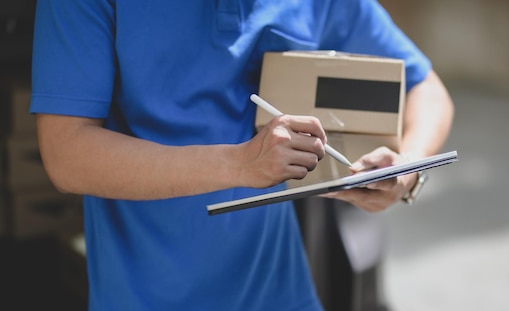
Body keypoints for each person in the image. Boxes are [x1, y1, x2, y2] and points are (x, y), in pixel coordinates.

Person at [30, 0, 454, 310]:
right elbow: (67, 153)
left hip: (284, 295)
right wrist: (240, 164)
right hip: (144, 297)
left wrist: (408, 169)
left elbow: (427, 89)